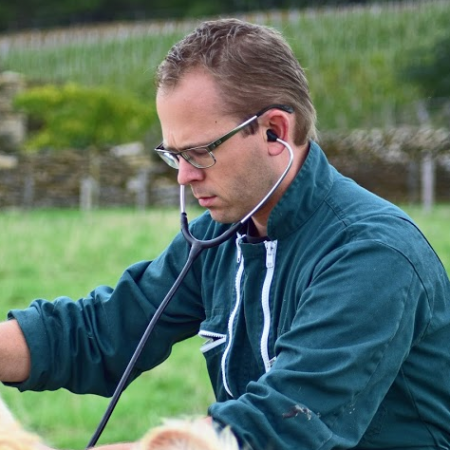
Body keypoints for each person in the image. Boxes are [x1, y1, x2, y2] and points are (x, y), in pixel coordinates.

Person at [1, 17, 450, 450]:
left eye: (199, 152)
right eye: (173, 155)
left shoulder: (373, 255)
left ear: (275, 130)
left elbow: (282, 426)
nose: (183, 177)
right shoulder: (222, 238)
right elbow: (104, 330)